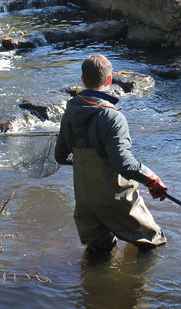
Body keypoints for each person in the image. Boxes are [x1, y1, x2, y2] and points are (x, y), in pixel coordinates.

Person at [54, 54, 168, 254]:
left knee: (98, 255)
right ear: (109, 80)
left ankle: (89, 285)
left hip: (84, 202)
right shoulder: (113, 117)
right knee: (153, 244)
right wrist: (151, 178)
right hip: (115, 198)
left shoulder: (69, 113)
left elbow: (60, 156)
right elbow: (123, 163)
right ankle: (137, 285)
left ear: (82, 80)